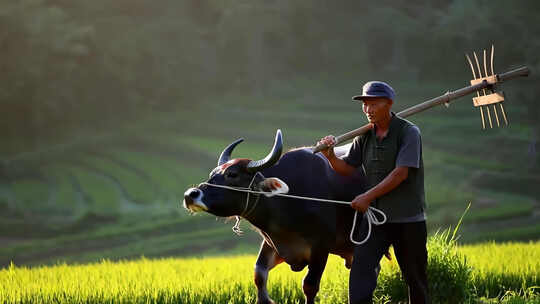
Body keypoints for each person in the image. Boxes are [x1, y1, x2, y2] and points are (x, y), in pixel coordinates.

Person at [317, 81, 430, 304]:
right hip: (375, 221)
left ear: (389, 104)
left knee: (415, 281)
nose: (368, 109)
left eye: (373, 104)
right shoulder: (364, 136)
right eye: (365, 104)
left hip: (407, 219)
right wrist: (330, 156)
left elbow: (401, 174)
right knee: (360, 276)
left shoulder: (409, 133)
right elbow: (348, 168)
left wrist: (367, 196)